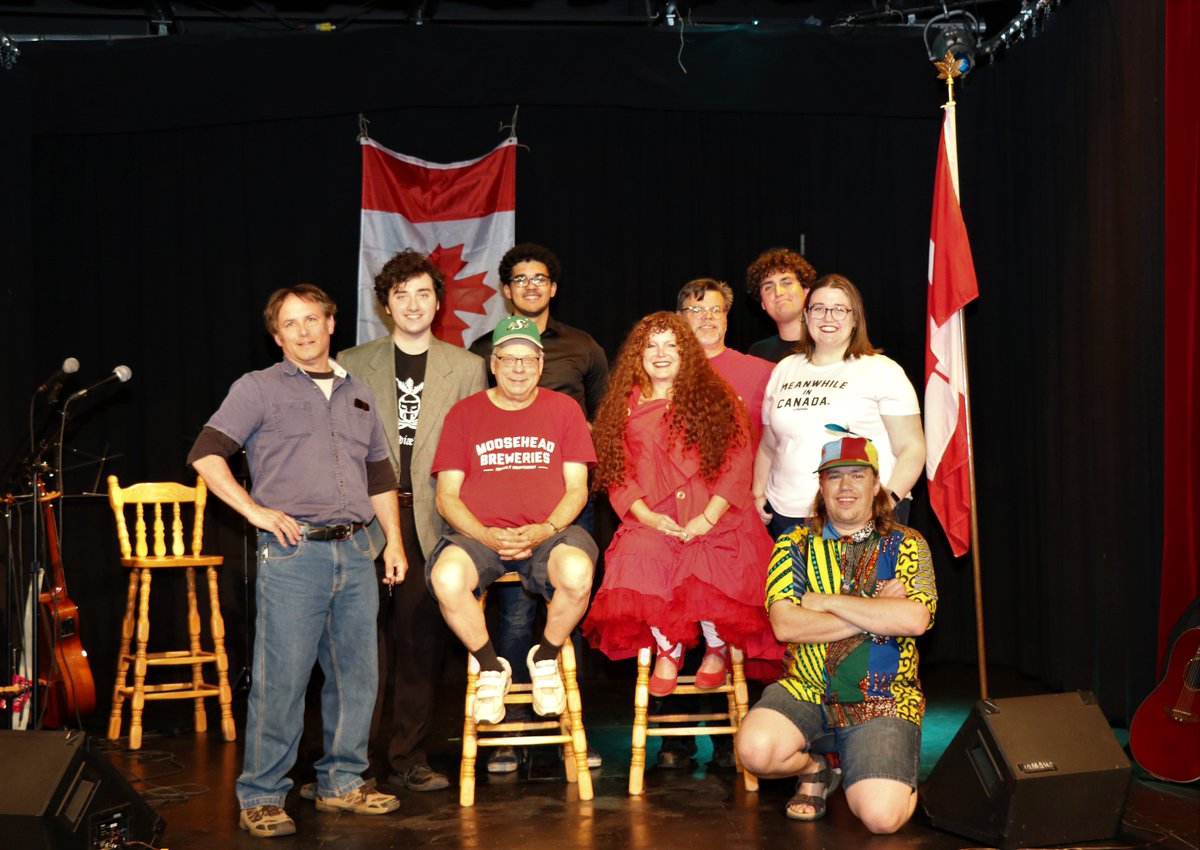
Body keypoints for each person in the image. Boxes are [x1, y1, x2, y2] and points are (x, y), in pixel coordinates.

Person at [188, 284, 404, 838]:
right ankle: (261, 795)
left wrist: (396, 544)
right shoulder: (257, 388)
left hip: (358, 549)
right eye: (291, 323)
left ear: (332, 323)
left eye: (313, 319)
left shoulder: (360, 392)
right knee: (280, 680)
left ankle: (343, 783)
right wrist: (255, 510)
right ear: (277, 336)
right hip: (292, 551)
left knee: (357, 677)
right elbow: (206, 454)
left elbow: (380, 475)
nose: (304, 330)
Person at [338, 250, 487, 793]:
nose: (413, 304)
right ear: (385, 305)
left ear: (438, 301)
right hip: (363, 517)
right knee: (355, 646)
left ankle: (408, 756)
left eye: (423, 293)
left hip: (430, 517)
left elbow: (476, 452)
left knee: (419, 643)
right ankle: (349, 763)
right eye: (401, 295)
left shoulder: (468, 367)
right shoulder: (352, 362)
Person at [736, 435, 937, 831]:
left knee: (881, 819)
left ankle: (877, 770)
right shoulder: (793, 544)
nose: (845, 487)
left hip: (882, 698)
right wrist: (878, 609)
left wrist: (824, 600)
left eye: (857, 476)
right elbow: (785, 624)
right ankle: (816, 768)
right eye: (834, 477)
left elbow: (914, 620)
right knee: (755, 750)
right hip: (806, 689)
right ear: (822, 486)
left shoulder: (907, 544)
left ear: (875, 483)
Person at [469, 242, 608, 772]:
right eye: (519, 278)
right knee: (515, 614)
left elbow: (603, 417)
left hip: (569, 505)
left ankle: (571, 729)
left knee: (568, 606)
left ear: (553, 287)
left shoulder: (583, 346)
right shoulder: (483, 348)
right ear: (506, 290)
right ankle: (509, 732)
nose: (530, 285)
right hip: (503, 508)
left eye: (540, 278)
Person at [583, 312, 774, 697]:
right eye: (651, 345)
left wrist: (708, 517)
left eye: (671, 344)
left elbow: (738, 464)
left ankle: (716, 647)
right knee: (636, 557)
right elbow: (618, 472)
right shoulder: (625, 403)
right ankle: (668, 647)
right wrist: (647, 516)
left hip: (716, 514)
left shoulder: (718, 397)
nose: (661, 353)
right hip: (652, 516)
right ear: (638, 354)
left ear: (686, 352)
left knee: (709, 559)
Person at [427, 316, 598, 730]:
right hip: (480, 536)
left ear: (541, 365)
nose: (518, 368)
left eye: (528, 359)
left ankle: (544, 657)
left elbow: (577, 487)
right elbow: (446, 495)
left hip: (549, 534)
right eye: (509, 358)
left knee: (577, 574)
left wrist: (546, 529)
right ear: (493, 362)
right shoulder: (464, 414)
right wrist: (485, 534)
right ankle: (490, 667)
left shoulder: (565, 409)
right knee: (446, 579)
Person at [754, 273, 925, 538]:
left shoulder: (882, 370)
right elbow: (768, 444)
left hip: (861, 516)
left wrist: (888, 501)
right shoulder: (785, 369)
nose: (828, 318)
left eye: (839, 310)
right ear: (807, 316)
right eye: (819, 309)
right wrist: (757, 492)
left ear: (855, 318)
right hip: (787, 518)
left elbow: (912, 448)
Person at [676, 278, 773, 442]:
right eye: (697, 309)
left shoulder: (766, 372)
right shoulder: (662, 373)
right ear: (679, 318)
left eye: (715, 309)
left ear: (725, 317)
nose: (707, 316)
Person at [745, 247, 818, 363]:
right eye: (768, 287)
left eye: (787, 283)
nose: (778, 292)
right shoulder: (757, 353)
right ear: (763, 303)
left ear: (805, 291)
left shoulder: (827, 346)